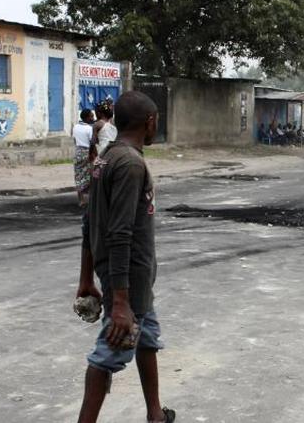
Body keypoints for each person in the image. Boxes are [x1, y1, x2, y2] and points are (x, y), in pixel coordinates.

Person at [77, 91, 176, 423]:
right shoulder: (131, 164)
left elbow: (89, 222)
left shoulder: (105, 157)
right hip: (128, 282)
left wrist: (85, 279)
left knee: (147, 339)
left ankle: (155, 414)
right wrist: (119, 301)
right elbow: (119, 234)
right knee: (108, 354)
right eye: (156, 121)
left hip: (132, 281)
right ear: (149, 122)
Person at [72, 109, 95, 206]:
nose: (93, 118)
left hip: (78, 152)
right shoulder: (89, 129)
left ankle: (81, 200)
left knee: (79, 175)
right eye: (91, 116)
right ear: (86, 118)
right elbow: (92, 142)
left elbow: (74, 139)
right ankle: (90, 199)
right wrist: (93, 155)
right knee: (90, 175)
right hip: (87, 152)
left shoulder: (75, 127)